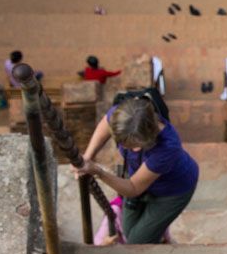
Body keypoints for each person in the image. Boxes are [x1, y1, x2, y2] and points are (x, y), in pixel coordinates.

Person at [77, 95, 199, 244]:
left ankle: (157, 228)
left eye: (135, 145)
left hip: (172, 189)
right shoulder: (126, 115)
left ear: (150, 137)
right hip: (138, 177)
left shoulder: (167, 148)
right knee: (127, 229)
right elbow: (105, 124)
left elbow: (133, 188)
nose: (130, 149)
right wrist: (88, 157)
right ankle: (155, 228)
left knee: (136, 241)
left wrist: (98, 172)